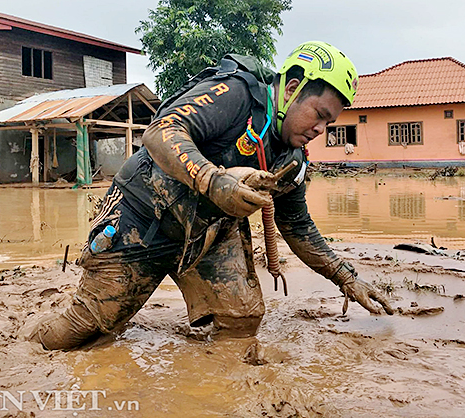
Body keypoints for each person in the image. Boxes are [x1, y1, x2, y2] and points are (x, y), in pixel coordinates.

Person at [23, 41, 393, 350]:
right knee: (80, 331)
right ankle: (26, 338)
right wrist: (213, 181)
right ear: (293, 88)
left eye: (330, 123)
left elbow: (296, 225)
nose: (321, 129)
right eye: (320, 114)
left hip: (209, 235)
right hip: (140, 219)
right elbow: (161, 131)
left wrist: (346, 276)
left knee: (242, 321)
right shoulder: (234, 93)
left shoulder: (292, 158)